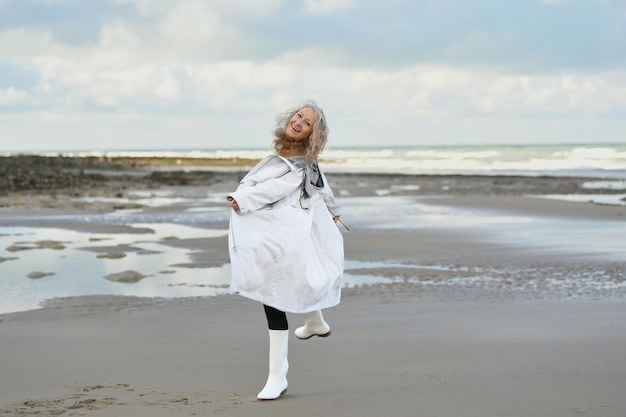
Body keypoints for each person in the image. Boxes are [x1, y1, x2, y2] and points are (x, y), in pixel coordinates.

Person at [227, 100, 344, 400]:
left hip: (288, 229)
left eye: (306, 123)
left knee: (273, 292)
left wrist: (244, 199)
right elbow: (323, 185)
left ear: (311, 134)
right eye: (298, 116)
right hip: (280, 225)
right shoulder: (291, 152)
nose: (299, 122)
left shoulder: (299, 161)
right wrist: (334, 209)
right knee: (283, 281)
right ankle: (314, 321)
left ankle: (277, 376)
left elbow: (275, 189)